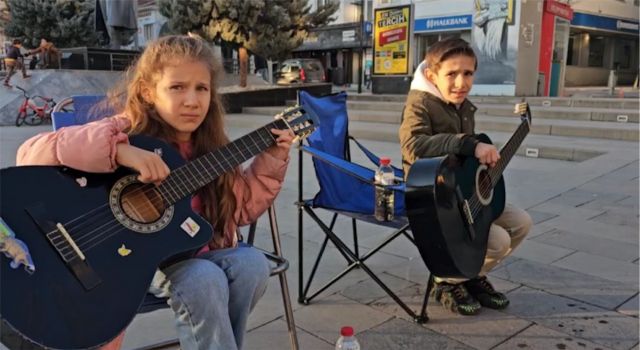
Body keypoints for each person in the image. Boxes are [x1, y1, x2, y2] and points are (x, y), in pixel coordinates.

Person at [16, 35, 294, 350]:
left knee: (251, 264)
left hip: (193, 257)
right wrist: (119, 152)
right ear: (149, 92)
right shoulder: (126, 133)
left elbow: (240, 210)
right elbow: (31, 153)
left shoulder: (215, 151)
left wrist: (271, 159)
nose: (192, 100)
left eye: (201, 88)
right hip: (129, 266)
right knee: (204, 278)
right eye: (177, 87)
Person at [398, 38, 532, 316]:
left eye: (468, 73)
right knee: (497, 241)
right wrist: (470, 144)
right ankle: (445, 281)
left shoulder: (460, 104)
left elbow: (462, 157)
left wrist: (484, 158)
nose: (461, 82)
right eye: (451, 74)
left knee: (521, 223)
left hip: (461, 188)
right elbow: (414, 146)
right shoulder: (419, 103)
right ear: (431, 75)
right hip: (435, 196)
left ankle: (470, 275)